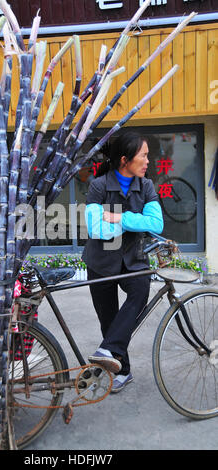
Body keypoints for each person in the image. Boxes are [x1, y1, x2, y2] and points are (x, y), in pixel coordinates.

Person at [82, 131, 164, 393]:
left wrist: (120, 218)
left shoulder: (146, 185)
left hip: (135, 260)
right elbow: (96, 229)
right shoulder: (98, 186)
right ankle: (123, 370)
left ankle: (108, 350)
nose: (148, 161)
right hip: (100, 262)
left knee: (138, 295)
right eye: (144, 155)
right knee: (109, 321)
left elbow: (156, 224)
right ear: (125, 160)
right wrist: (134, 223)